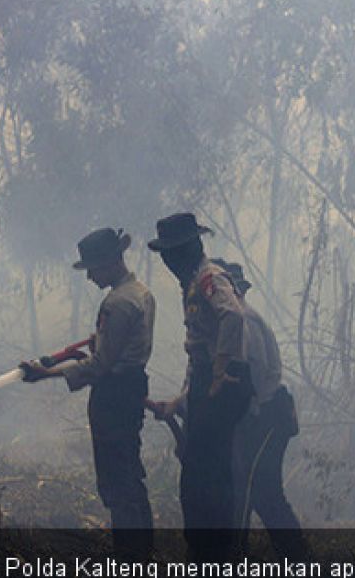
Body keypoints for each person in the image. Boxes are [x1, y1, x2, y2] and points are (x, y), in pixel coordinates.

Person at [21, 227, 155, 558]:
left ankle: (130, 559)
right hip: (130, 390)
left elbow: (101, 366)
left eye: (93, 268)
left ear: (110, 262)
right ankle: (143, 553)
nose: (91, 276)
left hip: (113, 397)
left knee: (116, 485)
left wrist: (46, 374)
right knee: (130, 477)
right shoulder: (140, 292)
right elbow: (113, 352)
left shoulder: (118, 303)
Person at [145, 213, 251, 561]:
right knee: (198, 470)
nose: (167, 260)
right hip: (207, 383)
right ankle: (205, 551)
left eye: (171, 252)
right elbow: (200, 353)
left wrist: (221, 368)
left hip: (221, 382)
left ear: (187, 250)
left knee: (208, 474)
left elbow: (233, 316)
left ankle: (215, 554)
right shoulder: (194, 283)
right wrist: (182, 400)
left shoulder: (208, 277)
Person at [211, 259, 306, 560]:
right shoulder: (234, 323)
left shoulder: (246, 322)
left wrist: (244, 416)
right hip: (256, 415)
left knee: (261, 492)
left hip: (265, 415)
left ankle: (299, 560)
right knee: (247, 490)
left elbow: (259, 376)